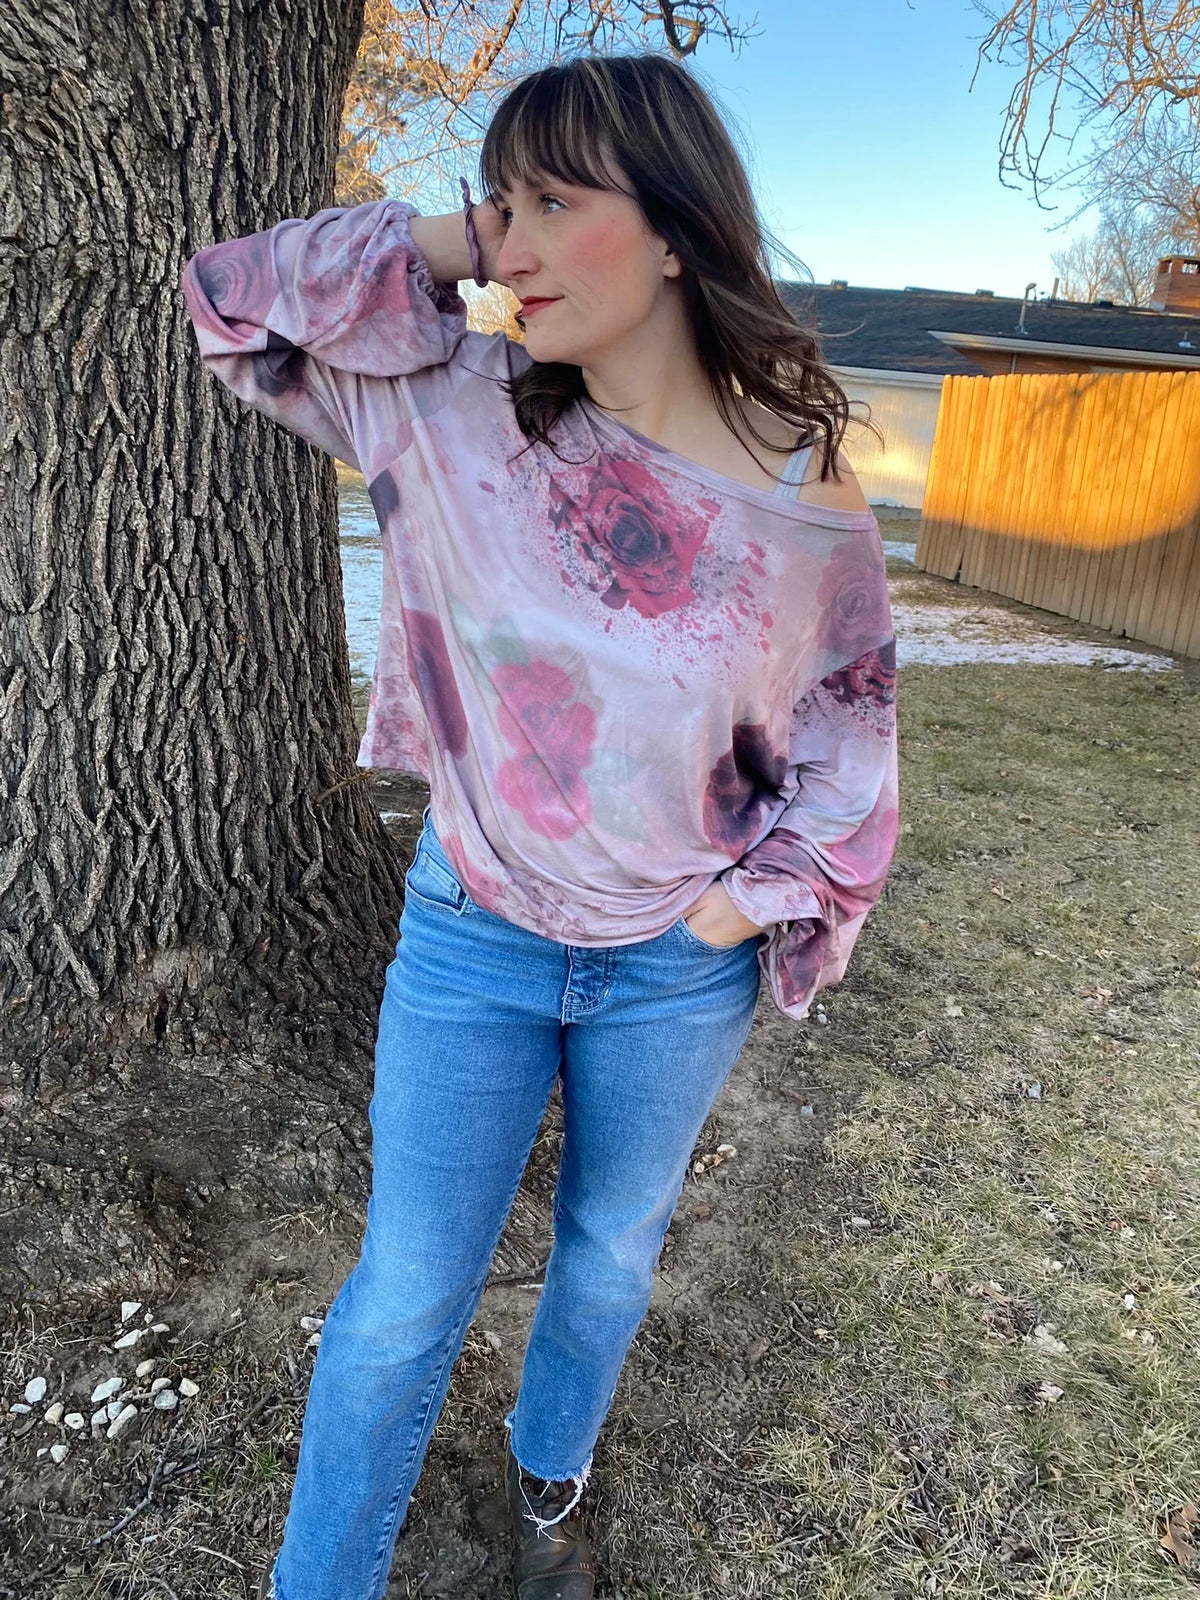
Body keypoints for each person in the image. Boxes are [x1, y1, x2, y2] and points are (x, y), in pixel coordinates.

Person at [180, 50, 898, 1600]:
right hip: (473, 936)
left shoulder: (804, 495)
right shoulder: (449, 410)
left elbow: (849, 732)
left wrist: (744, 905)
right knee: (401, 1298)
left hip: (675, 971)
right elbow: (231, 301)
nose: (511, 243)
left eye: (555, 203)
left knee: (611, 1256)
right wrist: (453, 235)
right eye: (498, 203)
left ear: (678, 231)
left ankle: (547, 1481)